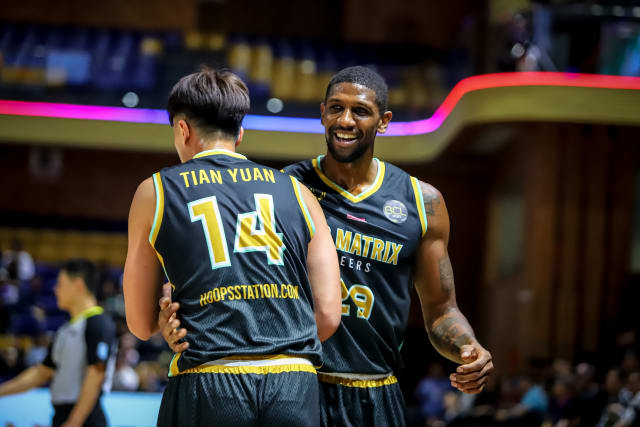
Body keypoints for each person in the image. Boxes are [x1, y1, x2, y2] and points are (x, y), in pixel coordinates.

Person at [158, 66, 493, 426]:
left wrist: (467, 346)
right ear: (322, 113)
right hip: (296, 384)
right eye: (336, 108)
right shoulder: (285, 188)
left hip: (376, 389)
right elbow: (226, 272)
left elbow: (442, 311)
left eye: (360, 111)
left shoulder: (422, 203)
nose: (345, 120)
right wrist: (173, 316)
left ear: (383, 121)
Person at [123, 68, 341, 426]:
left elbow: (140, 323)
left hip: (210, 378)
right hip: (294, 382)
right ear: (240, 133)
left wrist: (165, 320)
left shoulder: (155, 191)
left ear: (183, 130)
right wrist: (274, 345)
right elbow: (330, 314)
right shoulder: (299, 193)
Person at [0, 258, 117, 427]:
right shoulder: (65, 330)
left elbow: (96, 375)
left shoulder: (98, 323)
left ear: (78, 285)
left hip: (85, 418)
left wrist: (74, 422)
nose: (55, 290)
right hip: (62, 415)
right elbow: (41, 372)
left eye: (60, 284)